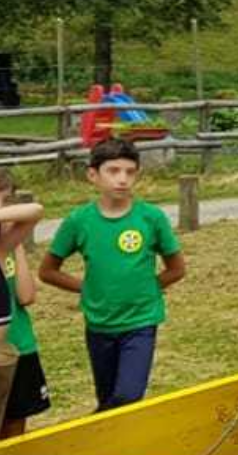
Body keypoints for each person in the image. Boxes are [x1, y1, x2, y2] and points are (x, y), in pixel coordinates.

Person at [38, 138, 185, 411]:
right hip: (99, 324)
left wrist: (148, 287)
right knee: (107, 400)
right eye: (114, 171)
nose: (122, 179)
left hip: (140, 323)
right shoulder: (78, 221)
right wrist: (88, 287)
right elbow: (47, 271)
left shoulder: (151, 218)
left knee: (128, 396)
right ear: (93, 174)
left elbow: (177, 269)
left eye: (130, 172)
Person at [0, 171, 46, 426]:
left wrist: (16, 245)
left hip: (19, 347)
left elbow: (26, 296)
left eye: (5, 201)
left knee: (15, 424)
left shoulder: (6, 246)